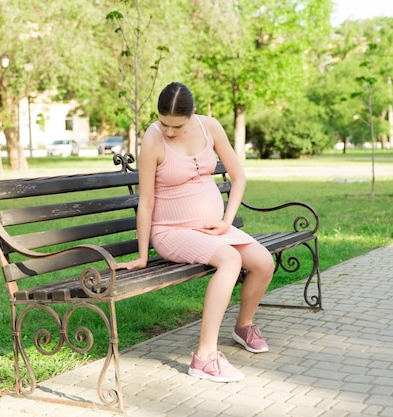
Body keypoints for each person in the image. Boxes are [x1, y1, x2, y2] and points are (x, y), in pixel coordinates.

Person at [116, 82, 275, 383]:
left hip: (213, 229)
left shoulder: (209, 127)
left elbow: (239, 177)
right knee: (230, 260)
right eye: (164, 123)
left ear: (192, 115)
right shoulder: (153, 138)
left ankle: (243, 326)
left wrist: (228, 220)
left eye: (177, 125)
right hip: (172, 232)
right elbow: (146, 201)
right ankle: (204, 357)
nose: (170, 131)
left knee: (264, 262)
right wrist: (141, 255)